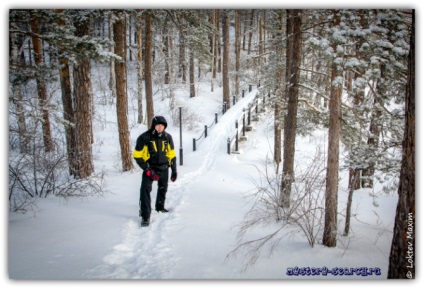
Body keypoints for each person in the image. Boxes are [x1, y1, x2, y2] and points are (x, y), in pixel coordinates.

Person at [133, 116, 178, 227]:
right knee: (145, 190)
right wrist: (147, 169)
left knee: (163, 188)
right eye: (158, 125)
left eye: (162, 125)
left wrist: (174, 170)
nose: (160, 127)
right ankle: (145, 216)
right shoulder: (144, 137)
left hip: (163, 168)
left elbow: (172, 155)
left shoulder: (168, 137)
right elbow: (137, 155)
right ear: (153, 125)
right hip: (150, 168)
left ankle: (160, 207)